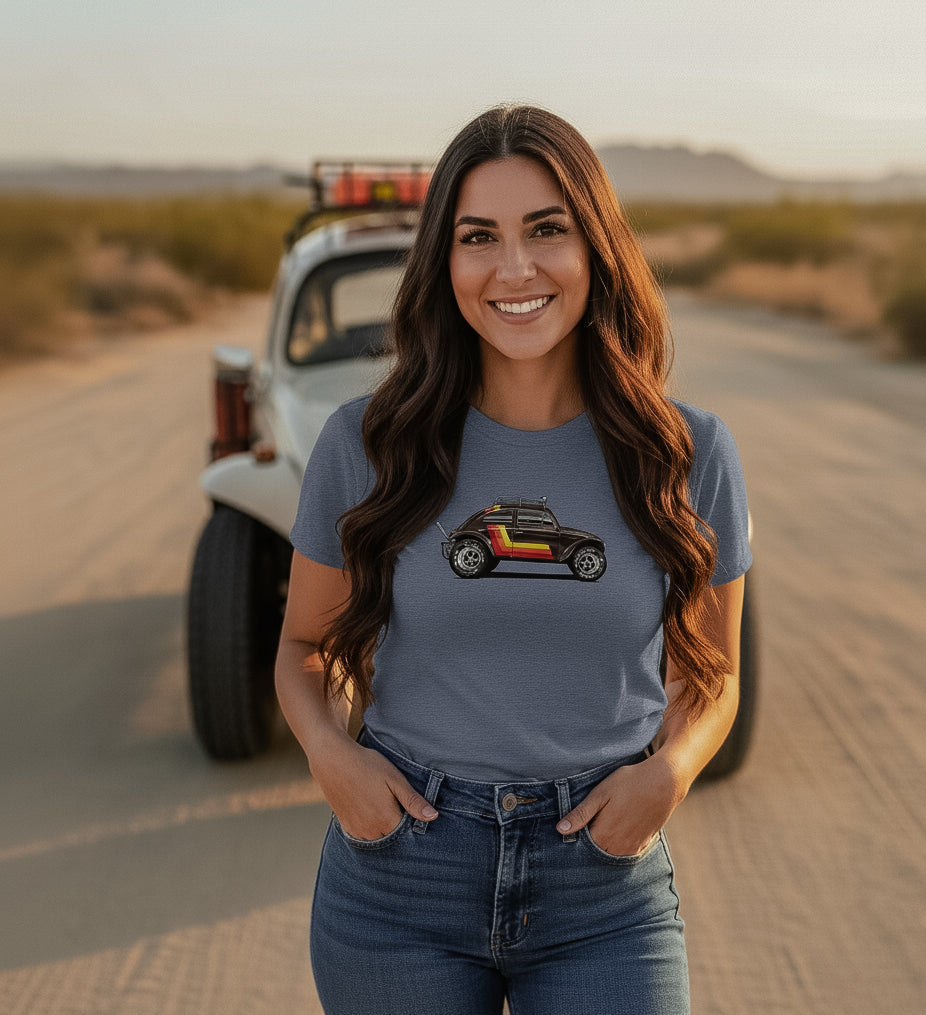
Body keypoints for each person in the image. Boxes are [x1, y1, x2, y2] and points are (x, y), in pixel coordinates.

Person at [275, 104, 752, 1015]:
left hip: (603, 890)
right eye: (478, 237)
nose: (514, 269)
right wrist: (329, 754)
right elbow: (301, 648)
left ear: (595, 248)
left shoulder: (686, 454)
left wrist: (670, 772)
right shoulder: (366, 444)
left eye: (546, 230)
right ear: (443, 262)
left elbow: (716, 671)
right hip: (399, 880)